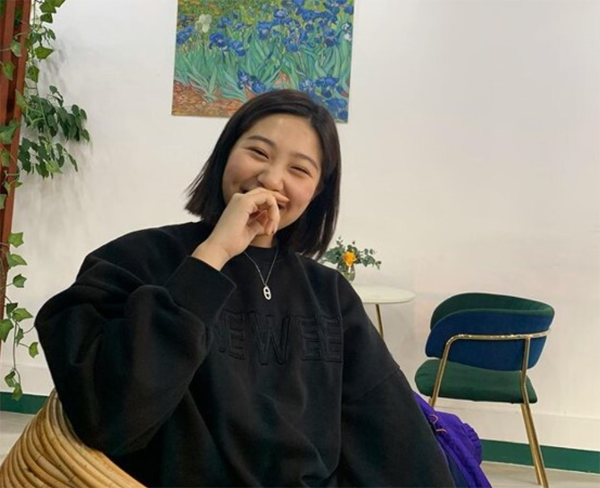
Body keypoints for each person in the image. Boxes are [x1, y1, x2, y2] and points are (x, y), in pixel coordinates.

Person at [35, 90, 456, 488]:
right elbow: (112, 418)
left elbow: (391, 430)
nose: (271, 179)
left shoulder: (330, 293)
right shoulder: (136, 259)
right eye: (258, 152)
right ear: (225, 154)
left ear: (317, 192)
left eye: (299, 169)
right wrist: (212, 255)